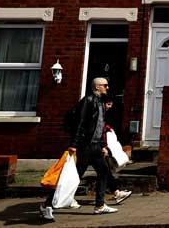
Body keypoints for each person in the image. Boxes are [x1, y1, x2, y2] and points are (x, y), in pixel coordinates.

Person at [41, 77, 119, 220]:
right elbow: (80, 123)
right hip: (84, 146)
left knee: (103, 171)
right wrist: (74, 145)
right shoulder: (88, 101)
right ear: (97, 87)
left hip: (95, 147)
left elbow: (99, 127)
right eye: (105, 86)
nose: (107, 88)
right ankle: (46, 205)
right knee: (71, 177)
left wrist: (103, 146)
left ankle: (100, 205)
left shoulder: (101, 103)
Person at [101, 96, 132, 205]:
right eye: (108, 104)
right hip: (90, 147)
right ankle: (56, 196)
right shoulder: (97, 112)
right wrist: (103, 146)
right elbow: (95, 130)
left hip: (94, 147)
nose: (110, 107)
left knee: (104, 171)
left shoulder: (103, 113)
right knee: (79, 171)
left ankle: (115, 193)